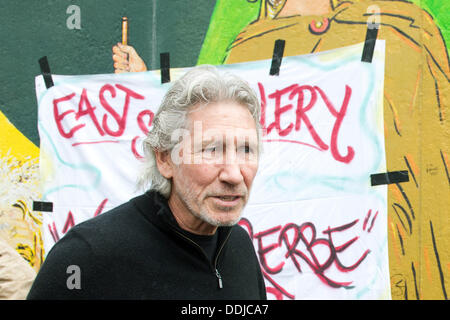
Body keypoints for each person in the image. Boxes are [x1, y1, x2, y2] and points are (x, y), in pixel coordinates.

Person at [26, 65, 266, 299]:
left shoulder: (238, 246)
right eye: (212, 149)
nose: (234, 175)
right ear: (164, 158)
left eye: (246, 149)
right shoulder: (87, 256)